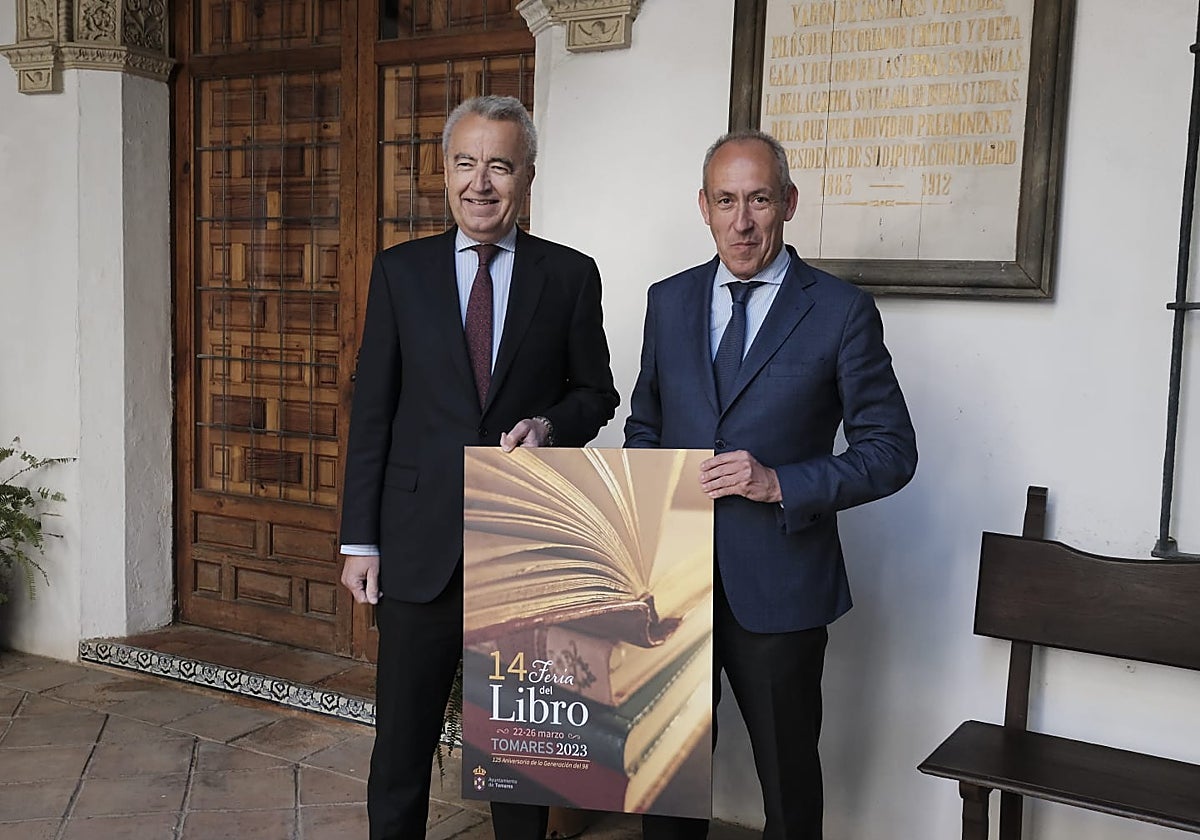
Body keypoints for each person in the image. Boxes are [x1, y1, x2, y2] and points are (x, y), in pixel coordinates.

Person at [339, 95, 620, 840]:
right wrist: (358, 540)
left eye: (499, 164)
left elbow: (598, 391)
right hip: (417, 546)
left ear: (527, 175)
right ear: (444, 171)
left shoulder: (569, 276)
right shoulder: (400, 273)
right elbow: (372, 413)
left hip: (522, 548)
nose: (481, 183)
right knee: (400, 745)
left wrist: (553, 424)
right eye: (466, 163)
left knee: (522, 759)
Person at [625, 130, 917, 840]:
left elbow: (892, 451)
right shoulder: (668, 301)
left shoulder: (841, 311)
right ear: (704, 206)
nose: (742, 220)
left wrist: (780, 483)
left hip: (782, 590)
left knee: (787, 787)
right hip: (674, 588)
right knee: (666, 783)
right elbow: (644, 424)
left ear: (787, 202)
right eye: (726, 200)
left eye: (759, 199)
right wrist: (651, 488)